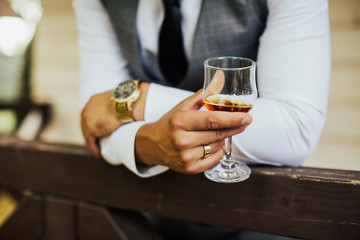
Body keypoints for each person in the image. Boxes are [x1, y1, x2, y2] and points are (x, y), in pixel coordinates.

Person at [73, 0, 330, 238]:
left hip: (260, 216)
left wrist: (139, 100)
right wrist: (149, 144)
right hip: (149, 216)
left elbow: (295, 127)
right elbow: (96, 123)